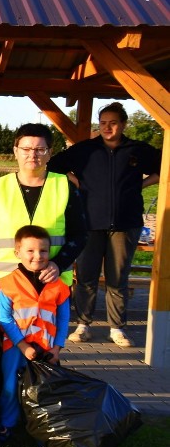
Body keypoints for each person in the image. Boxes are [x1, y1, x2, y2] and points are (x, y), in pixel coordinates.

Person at [47, 102, 161, 348]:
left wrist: (140, 186)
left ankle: (117, 328)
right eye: (103, 123)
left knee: (117, 278)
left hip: (125, 223)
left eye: (113, 123)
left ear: (123, 124)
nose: (107, 127)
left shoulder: (138, 150)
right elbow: (55, 166)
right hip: (88, 222)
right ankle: (83, 325)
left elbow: (164, 168)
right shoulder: (85, 150)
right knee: (86, 276)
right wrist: (77, 182)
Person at [0, 123, 87, 307]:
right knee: (5, 336)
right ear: (16, 151)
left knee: (47, 336)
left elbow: (80, 234)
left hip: (51, 286)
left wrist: (58, 264)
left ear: (49, 152)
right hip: (5, 286)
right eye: (26, 149)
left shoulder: (65, 187)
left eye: (40, 149)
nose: (33, 155)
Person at [0, 225, 70, 442]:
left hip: (46, 349)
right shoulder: (8, 284)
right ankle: (7, 426)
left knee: (44, 390)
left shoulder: (60, 286)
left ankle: (42, 431)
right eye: (30, 251)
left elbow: (63, 319)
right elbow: (4, 318)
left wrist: (57, 348)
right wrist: (22, 346)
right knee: (9, 387)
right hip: (15, 348)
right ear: (18, 252)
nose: (37, 256)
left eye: (43, 251)